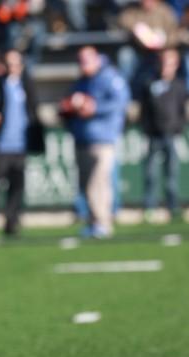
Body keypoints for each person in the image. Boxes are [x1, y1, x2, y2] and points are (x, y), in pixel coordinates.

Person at [0, 49, 45, 238]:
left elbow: (33, 112)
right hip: (1, 145)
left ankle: (11, 223)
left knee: (17, 187)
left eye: (16, 64)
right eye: (9, 64)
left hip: (20, 145)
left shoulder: (26, 85)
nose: (13, 68)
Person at [60, 46, 130, 239]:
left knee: (99, 183)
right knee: (85, 184)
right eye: (80, 61)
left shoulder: (109, 77)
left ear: (97, 59)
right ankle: (93, 221)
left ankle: (103, 222)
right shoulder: (81, 82)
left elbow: (121, 102)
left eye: (87, 60)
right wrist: (67, 107)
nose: (83, 65)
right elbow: (69, 103)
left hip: (102, 138)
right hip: (82, 138)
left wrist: (94, 107)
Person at [140, 48, 187, 222]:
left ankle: (173, 207)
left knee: (172, 175)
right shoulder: (150, 84)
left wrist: (178, 129)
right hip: (154, 135)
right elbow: (144, 112)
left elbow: (182, 111)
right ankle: (149, 207)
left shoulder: (179, 85)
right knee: (151, 174)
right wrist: (146, 130)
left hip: (171, 135)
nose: (166, 67)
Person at [116, 0, 180, 97]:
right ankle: (125, 93)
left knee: (170, 58)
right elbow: (122, 20)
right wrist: (137, 28)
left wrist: (163, 39)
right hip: (138, 49)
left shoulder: (164, 10)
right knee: (126, 56)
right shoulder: (133, 9)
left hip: (160, 50)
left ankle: (166, 95)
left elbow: (175, 33)